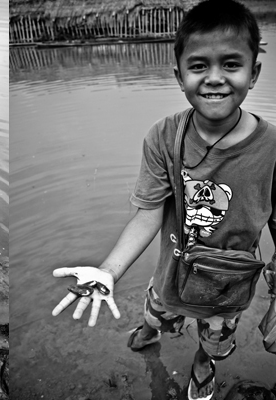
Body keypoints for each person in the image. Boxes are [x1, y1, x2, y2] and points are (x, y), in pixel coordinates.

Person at [51, 1, 275, 399]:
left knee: (216, 334)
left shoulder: (272, 149)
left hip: (229, 284)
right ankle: (152, 329)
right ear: (179, 75)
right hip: (172, 273)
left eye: (231, 64)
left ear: (254, 72)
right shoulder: (163, 137)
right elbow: (147, 214)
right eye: (199, 66)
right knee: (157, 310)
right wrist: (109, 271)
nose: (215, 79)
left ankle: (203, 364)